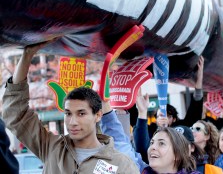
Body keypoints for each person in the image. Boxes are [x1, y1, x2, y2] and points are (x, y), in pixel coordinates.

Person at [2, 42, 139, 174]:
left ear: (97, 115)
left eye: (81, 114)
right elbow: (15, 112)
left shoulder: (121, 164)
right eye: (68, 113)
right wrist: (27, 54)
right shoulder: (52, 147)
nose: (72, 122)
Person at [133, 56, 205, 163]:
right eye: (160, 116)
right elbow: (141, 144)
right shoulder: (150, 131)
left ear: (174, 119)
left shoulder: (182, 130)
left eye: (168, 116)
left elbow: (195, 110)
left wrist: (199, 78)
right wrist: (142, 111)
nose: (163, 118)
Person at [101, 105, 201, 174]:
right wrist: (106, 108)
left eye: (161, 143)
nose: (153, 147)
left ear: (178, 154)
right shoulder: (139, 169)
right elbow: (120, 142)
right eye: (152, 142)